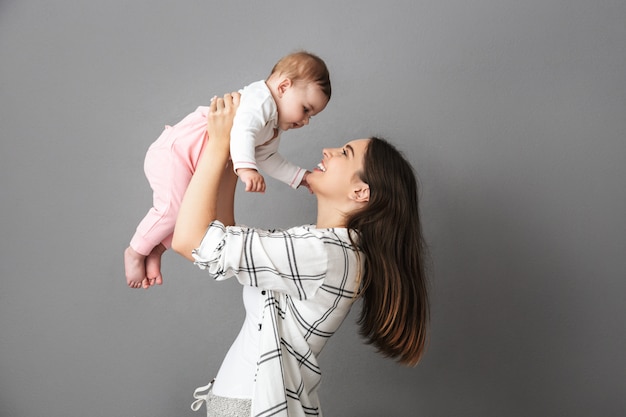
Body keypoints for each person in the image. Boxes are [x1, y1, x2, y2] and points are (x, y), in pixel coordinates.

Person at [171, 93, 430, 417]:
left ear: (360, 192)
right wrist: (235, 153)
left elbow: (190, 241)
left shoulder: (323, 255)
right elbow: (223, 236)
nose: (328, 151)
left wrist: (218, 143)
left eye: (345, 153)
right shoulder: (323, 247)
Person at [124, 51, 332, 289]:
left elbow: (269, 157)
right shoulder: (261, 100)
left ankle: (156, 249)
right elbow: (243, 131)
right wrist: (245, 169)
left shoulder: (273, 127)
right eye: (306, 109)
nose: (305, 121)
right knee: (171, 210)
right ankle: (134, 250)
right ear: (284, 87)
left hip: (193, 163)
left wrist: (300, 177)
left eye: (311, 117)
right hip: (177, 152)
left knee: (186, 216)